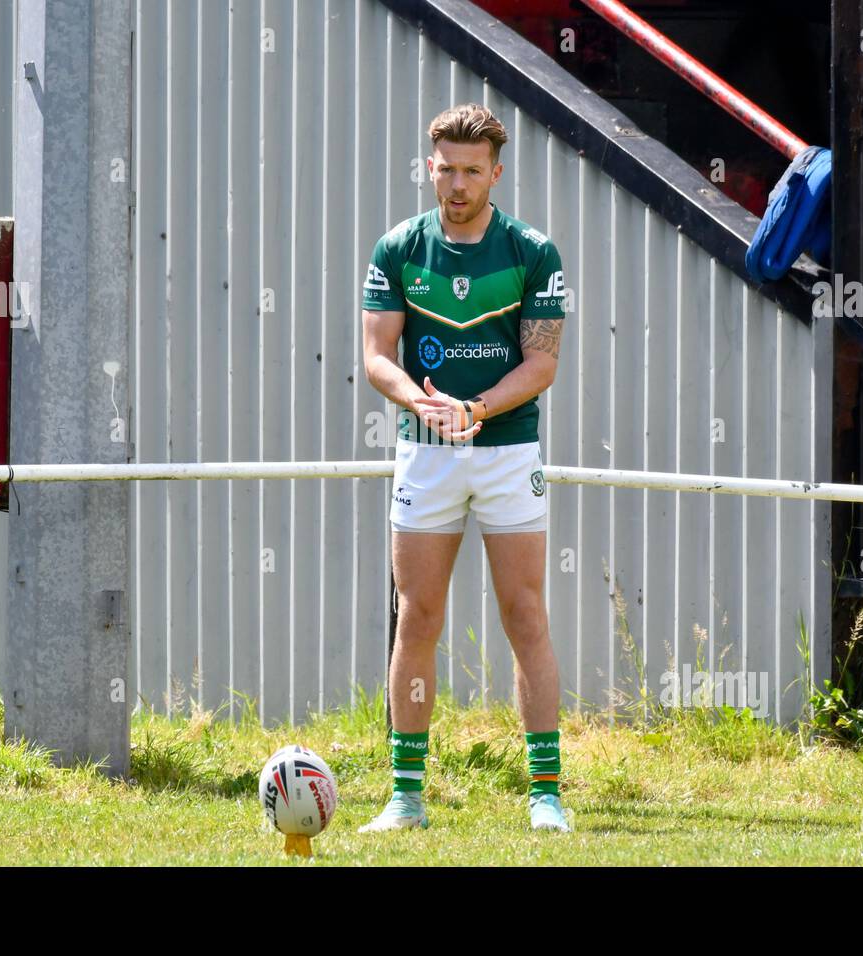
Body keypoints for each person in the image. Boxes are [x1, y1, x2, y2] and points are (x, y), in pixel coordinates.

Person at [358, 103, 569, 833]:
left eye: (471, 171)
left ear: (496, 173)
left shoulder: (533, 250)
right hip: (427, 452)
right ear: (430, 166)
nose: (456, 183)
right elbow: (376, 356)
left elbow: (541, 363)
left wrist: (476, 409)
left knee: (525, 616)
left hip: (509, 451)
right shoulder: (396, 249)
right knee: (417, 618)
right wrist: (424, 403)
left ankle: (545, 795)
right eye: (445, 168)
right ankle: (406, 798)